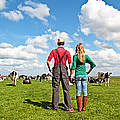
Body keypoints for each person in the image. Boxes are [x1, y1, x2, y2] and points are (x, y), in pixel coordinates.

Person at [47, 38, 74, 112]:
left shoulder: (53, 51)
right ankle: (69, 107)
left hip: (56, 70)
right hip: (64, 70)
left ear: (57, 44)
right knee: (66, 88)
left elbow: (48, 61)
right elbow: (70, 64)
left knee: (55, 88)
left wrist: (50, 69)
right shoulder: (67, 52)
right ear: (63, 43)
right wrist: (71, 73)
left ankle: (55, 107)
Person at [70, 43, 96, 112]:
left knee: (78, 92)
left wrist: (71, 75)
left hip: (78, 75)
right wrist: (88, 72)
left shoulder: (75, 57)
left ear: (76, 49)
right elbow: (93, 64)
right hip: (84, 75)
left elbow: (74, 67)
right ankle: (84, 108)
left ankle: (79, 108)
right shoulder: (86, 56)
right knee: (85, 91)